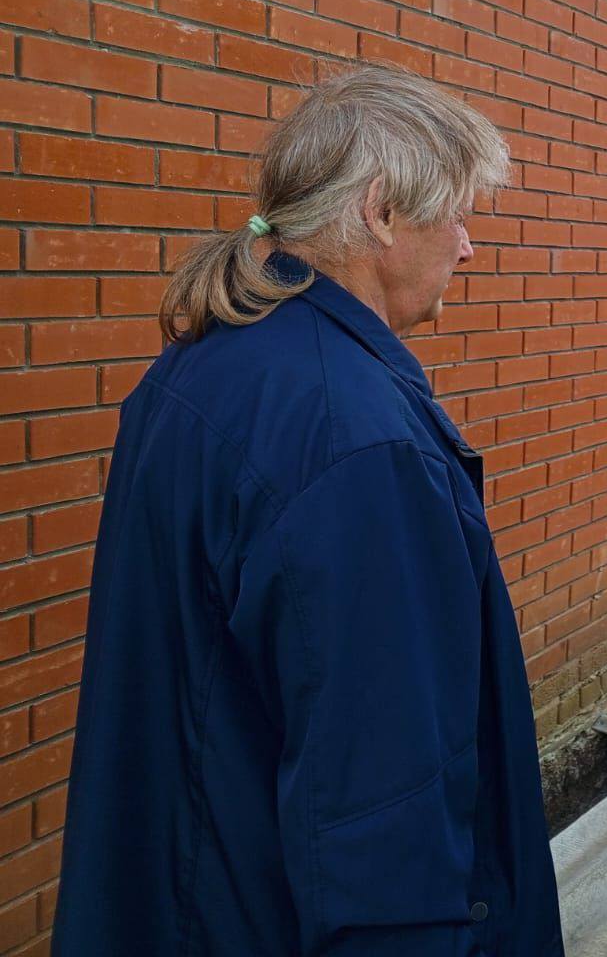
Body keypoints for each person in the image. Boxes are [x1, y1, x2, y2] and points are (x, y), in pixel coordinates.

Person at [54, 65, 565, 956]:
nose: (469, 245)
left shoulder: (204, 365)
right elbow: (383, 816)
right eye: (456, 212)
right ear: (379, 213)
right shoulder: (357, 445)